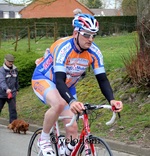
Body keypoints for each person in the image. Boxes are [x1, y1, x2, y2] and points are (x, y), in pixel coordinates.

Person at [32, 13, 123, 156]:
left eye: (94, 35)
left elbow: (103, 79)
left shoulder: (94, 52)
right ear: (76, 33)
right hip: (45, 78)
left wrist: (111, 99)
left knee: (73, 129)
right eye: (87, 35)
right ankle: (43, 138)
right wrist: (72, 101)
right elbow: (59, 80)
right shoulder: (64, 48)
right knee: (58, 104)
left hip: (67, 85)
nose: (91, 39)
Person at [0, 54, 19, 124]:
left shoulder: (15, 70)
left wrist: (17, 89)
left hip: (12, 94)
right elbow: (2, 81)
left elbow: (16, 80)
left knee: (13, 110)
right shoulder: (1, 70)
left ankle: (13, 125)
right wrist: (6, 89)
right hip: (2, 94)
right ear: (5, 61)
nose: (11, 63)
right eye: (9, 61)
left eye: (12, 61)